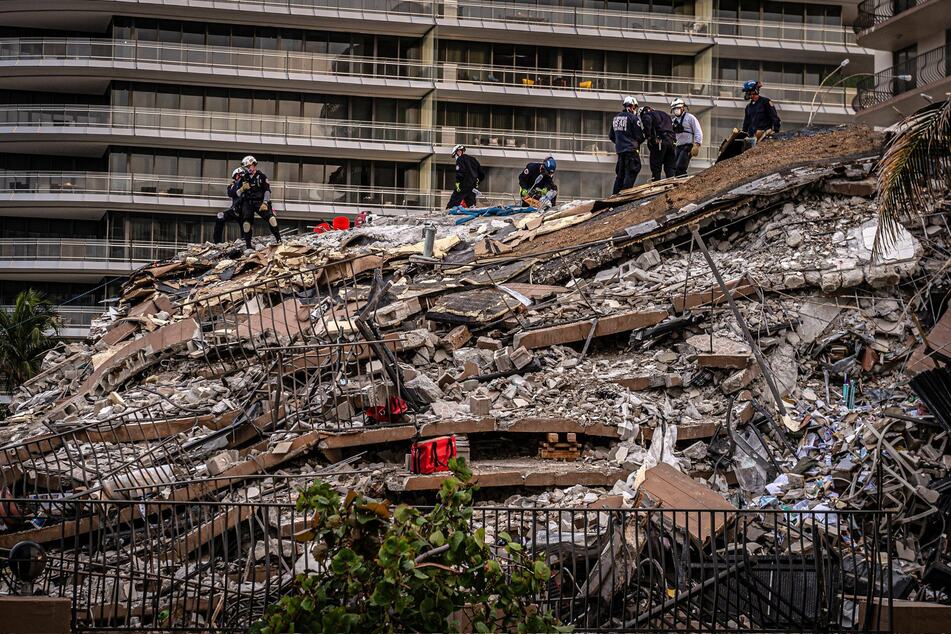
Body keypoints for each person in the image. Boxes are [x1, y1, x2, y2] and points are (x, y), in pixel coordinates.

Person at [235, 155, 281, 249]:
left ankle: (279, 240)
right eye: (246, 167)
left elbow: (267, 190)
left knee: (272, 219)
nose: (249, 169)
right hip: (248, 203)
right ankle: (248, 246)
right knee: (246, 224)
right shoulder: (243, 178)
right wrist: (242, 189)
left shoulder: (262, 176)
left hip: (260, 201)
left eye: (250, 166)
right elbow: (236, 194)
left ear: (254, 165)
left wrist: (265, 202)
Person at [609, 96, 645, 195]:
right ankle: (624, 195)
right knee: (632, 172)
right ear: (630, 107)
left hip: (621, 152)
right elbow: (639, 136)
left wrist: (621, 143)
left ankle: (614, 196)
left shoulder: (616, 118)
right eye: (634, 107)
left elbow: (611, 136)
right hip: (631, 152)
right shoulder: (633, 118)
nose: (635, 110)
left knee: (620, 175)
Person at [640, 102, 677, 181]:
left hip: (660, 142)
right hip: (671, 142)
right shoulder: (664, 114)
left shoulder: (647, 115)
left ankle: (656, 184)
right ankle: (671, 183)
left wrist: (648, 137)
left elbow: (647, 122)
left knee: (656, 166)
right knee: (670, 166)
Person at [670, 98, 703, 177]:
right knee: (674, 167)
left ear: (682, 108)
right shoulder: (673, 121)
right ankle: (679, 183)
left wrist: (697, 145)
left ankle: (683, 184)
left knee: (680, 167)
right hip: (678, 147)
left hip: (688, 146)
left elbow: (698, 131)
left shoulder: (690, 118)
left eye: (677, 108)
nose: (676, 110)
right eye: (674, 109)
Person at [446, 144, 485, 209]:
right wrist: (477, 182)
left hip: (463, 186)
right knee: (471, 205)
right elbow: (482, 174)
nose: (455, 157)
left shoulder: (460, 159)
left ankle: (448, 212)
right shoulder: (473, 159)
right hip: (472, 187)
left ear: (458, 152)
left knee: (453, 202)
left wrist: (458, 184)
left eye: (455, 155)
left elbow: (460, 173)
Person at [213, 167, 245, 243]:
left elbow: (231, 193)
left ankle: (245, 242)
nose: (235, 179)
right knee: (220, 216)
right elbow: (231, 194)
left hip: (243, 211)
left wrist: (230, 188)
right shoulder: (237, 184)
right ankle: (217, 242)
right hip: (236, 209)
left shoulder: (242, 182)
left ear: (239, 175)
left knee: (245, 226)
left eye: (236, 176)